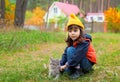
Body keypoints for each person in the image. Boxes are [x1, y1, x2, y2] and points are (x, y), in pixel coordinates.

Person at [60, 13, 96, 79]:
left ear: (81, 31)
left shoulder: (85, 41)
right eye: (70, 31)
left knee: (70, 49)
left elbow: (78, 55)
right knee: (65, 72)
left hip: (87, 63)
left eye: (75, 30)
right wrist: (61, 64)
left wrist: (66, 65)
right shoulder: (72, 40)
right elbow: (65, 54)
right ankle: (73, 68)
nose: (72, 33)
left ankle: (79, 70)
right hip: (77, 61)